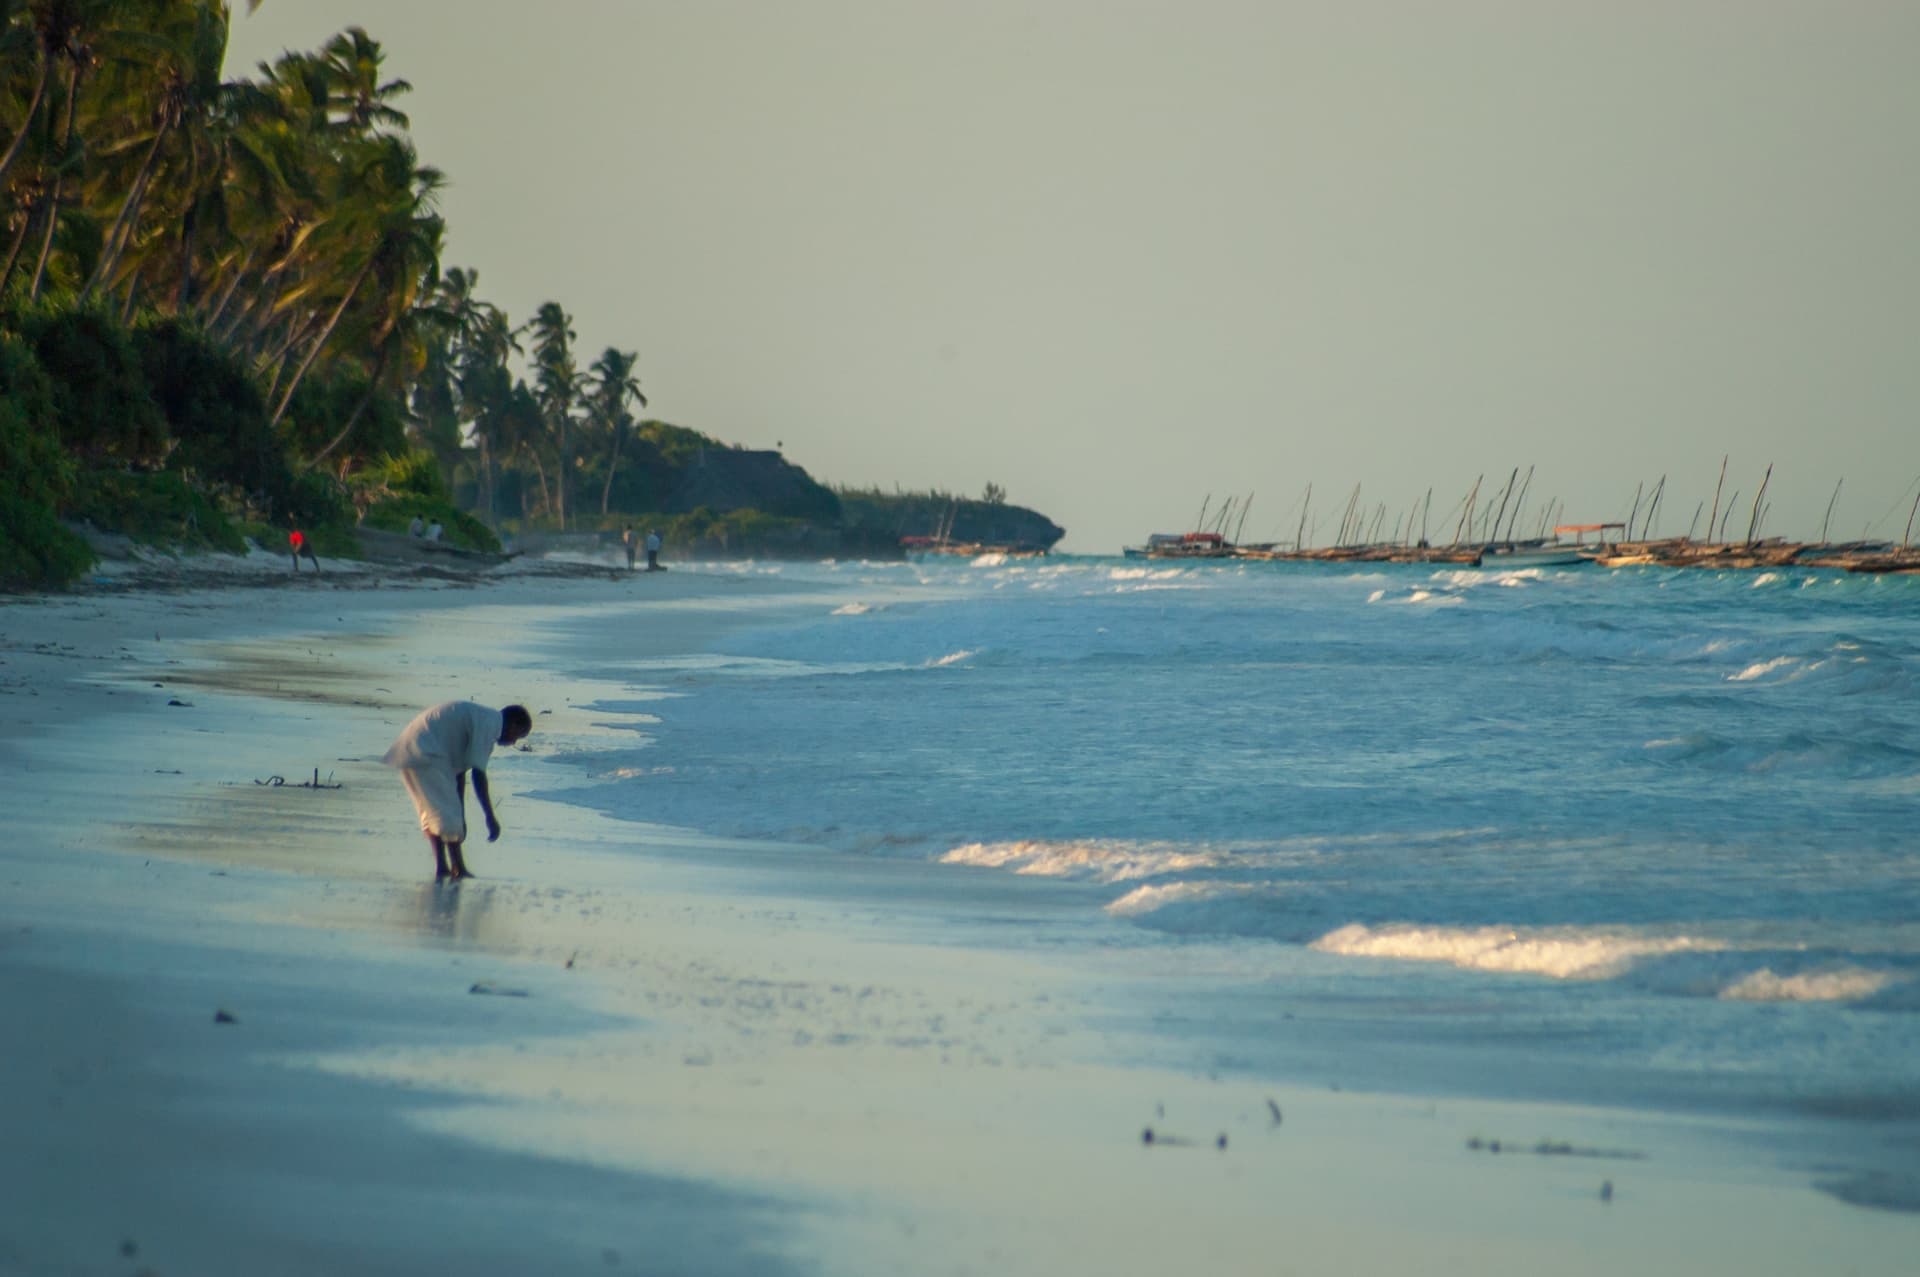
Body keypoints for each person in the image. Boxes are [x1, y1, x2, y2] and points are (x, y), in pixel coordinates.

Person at [383, 700, 534, 881]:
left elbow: (460, 774)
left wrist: (461, 813)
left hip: (409, 749)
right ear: (513, 724)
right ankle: (458, 867)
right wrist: (490, 816)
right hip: (428, 752)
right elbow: (478, 775)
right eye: (518, 735)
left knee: (435, 815)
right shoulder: (490, 724)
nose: (514, 741)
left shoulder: (482, 717)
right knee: (447, 818)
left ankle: (443, 867)